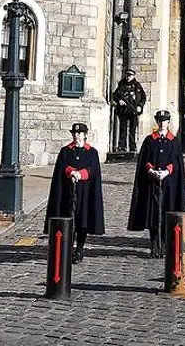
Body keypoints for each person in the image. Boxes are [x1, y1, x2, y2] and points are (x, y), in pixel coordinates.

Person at [127, 110, 185, 258]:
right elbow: (145, 160)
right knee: (153, 215)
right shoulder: (150, 140)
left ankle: (165, 245)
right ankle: (154, 245)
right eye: (160, 121)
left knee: (167, 213)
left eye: (165, 121)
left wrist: (167, 171)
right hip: (152, 183)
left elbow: (176, 161)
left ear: (168, 122)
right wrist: (151, 170)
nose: (162, 123)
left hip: (168, 183)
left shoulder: (173, 141)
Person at [45, 122, 105, 262]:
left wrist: (81, 174)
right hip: (68, 191)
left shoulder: (91, 152)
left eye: (79, 134)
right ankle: (68, 248)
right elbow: (62, 166)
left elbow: (93, 169)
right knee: (68, 218)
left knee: (82, 221)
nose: (76, 136)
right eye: (75, 133)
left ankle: (79, 249)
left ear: (85, 135)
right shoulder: (66, 151)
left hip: (85, 191)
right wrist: (71, 172)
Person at [112, 69, 146, 153]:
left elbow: (143, 97)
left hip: (133, 110)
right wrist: (119, 100)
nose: (128, 77)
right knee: (123, 129)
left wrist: (140, 106)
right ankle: (122, 146)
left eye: (130, 75)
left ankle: (132, 147)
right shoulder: (121, 84)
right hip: (123, 110)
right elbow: (115, 95)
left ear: (133, 76)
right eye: (127, 75)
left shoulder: (137, 86)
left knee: (132, 129)